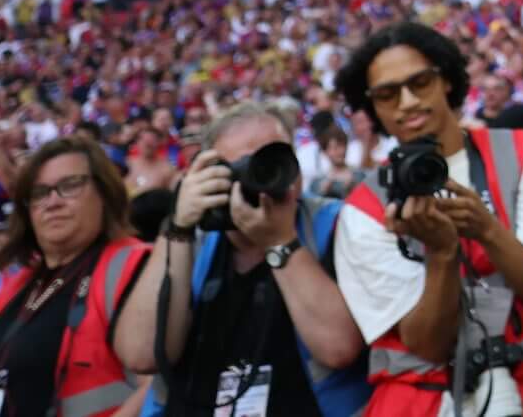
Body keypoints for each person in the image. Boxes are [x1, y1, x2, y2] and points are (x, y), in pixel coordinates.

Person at [333, 21, 523, 417]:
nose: (408, 102)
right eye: (387, 94)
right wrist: (442, 253)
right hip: (425, 404)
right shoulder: (362, 211)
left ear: (445, 79)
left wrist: (486, 229)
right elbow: (428, 345)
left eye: (420, 82)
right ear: (372, 106)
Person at [116, 100, 367, 417]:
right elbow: (140, 355)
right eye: (249, 165)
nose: (268, 177)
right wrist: (177, 228)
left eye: (277, 159)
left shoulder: (334, 225)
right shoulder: (195, 238)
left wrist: (279, 241)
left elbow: (338, 349)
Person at [0, 136, 146, 417]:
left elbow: (157, 384)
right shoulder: (18, 287)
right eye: (39, 193)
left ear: (105, 194)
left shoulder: (130, 265)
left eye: (70, 185)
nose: (52, 202)